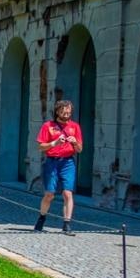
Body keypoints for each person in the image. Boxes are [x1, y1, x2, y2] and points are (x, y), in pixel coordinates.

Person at [34, 98, 84, 235]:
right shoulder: (48, 126)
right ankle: (42, 217)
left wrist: (74, 143)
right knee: (49, 194)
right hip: (52, 162)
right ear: (57, 111)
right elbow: (40, 147)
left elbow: (80, 149)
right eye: (64, 112)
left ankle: (67, 224)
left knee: (67, 193)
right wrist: (54, 143)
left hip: (68, 162)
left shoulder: (75, 127)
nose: (67, 114)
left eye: (69, 112)